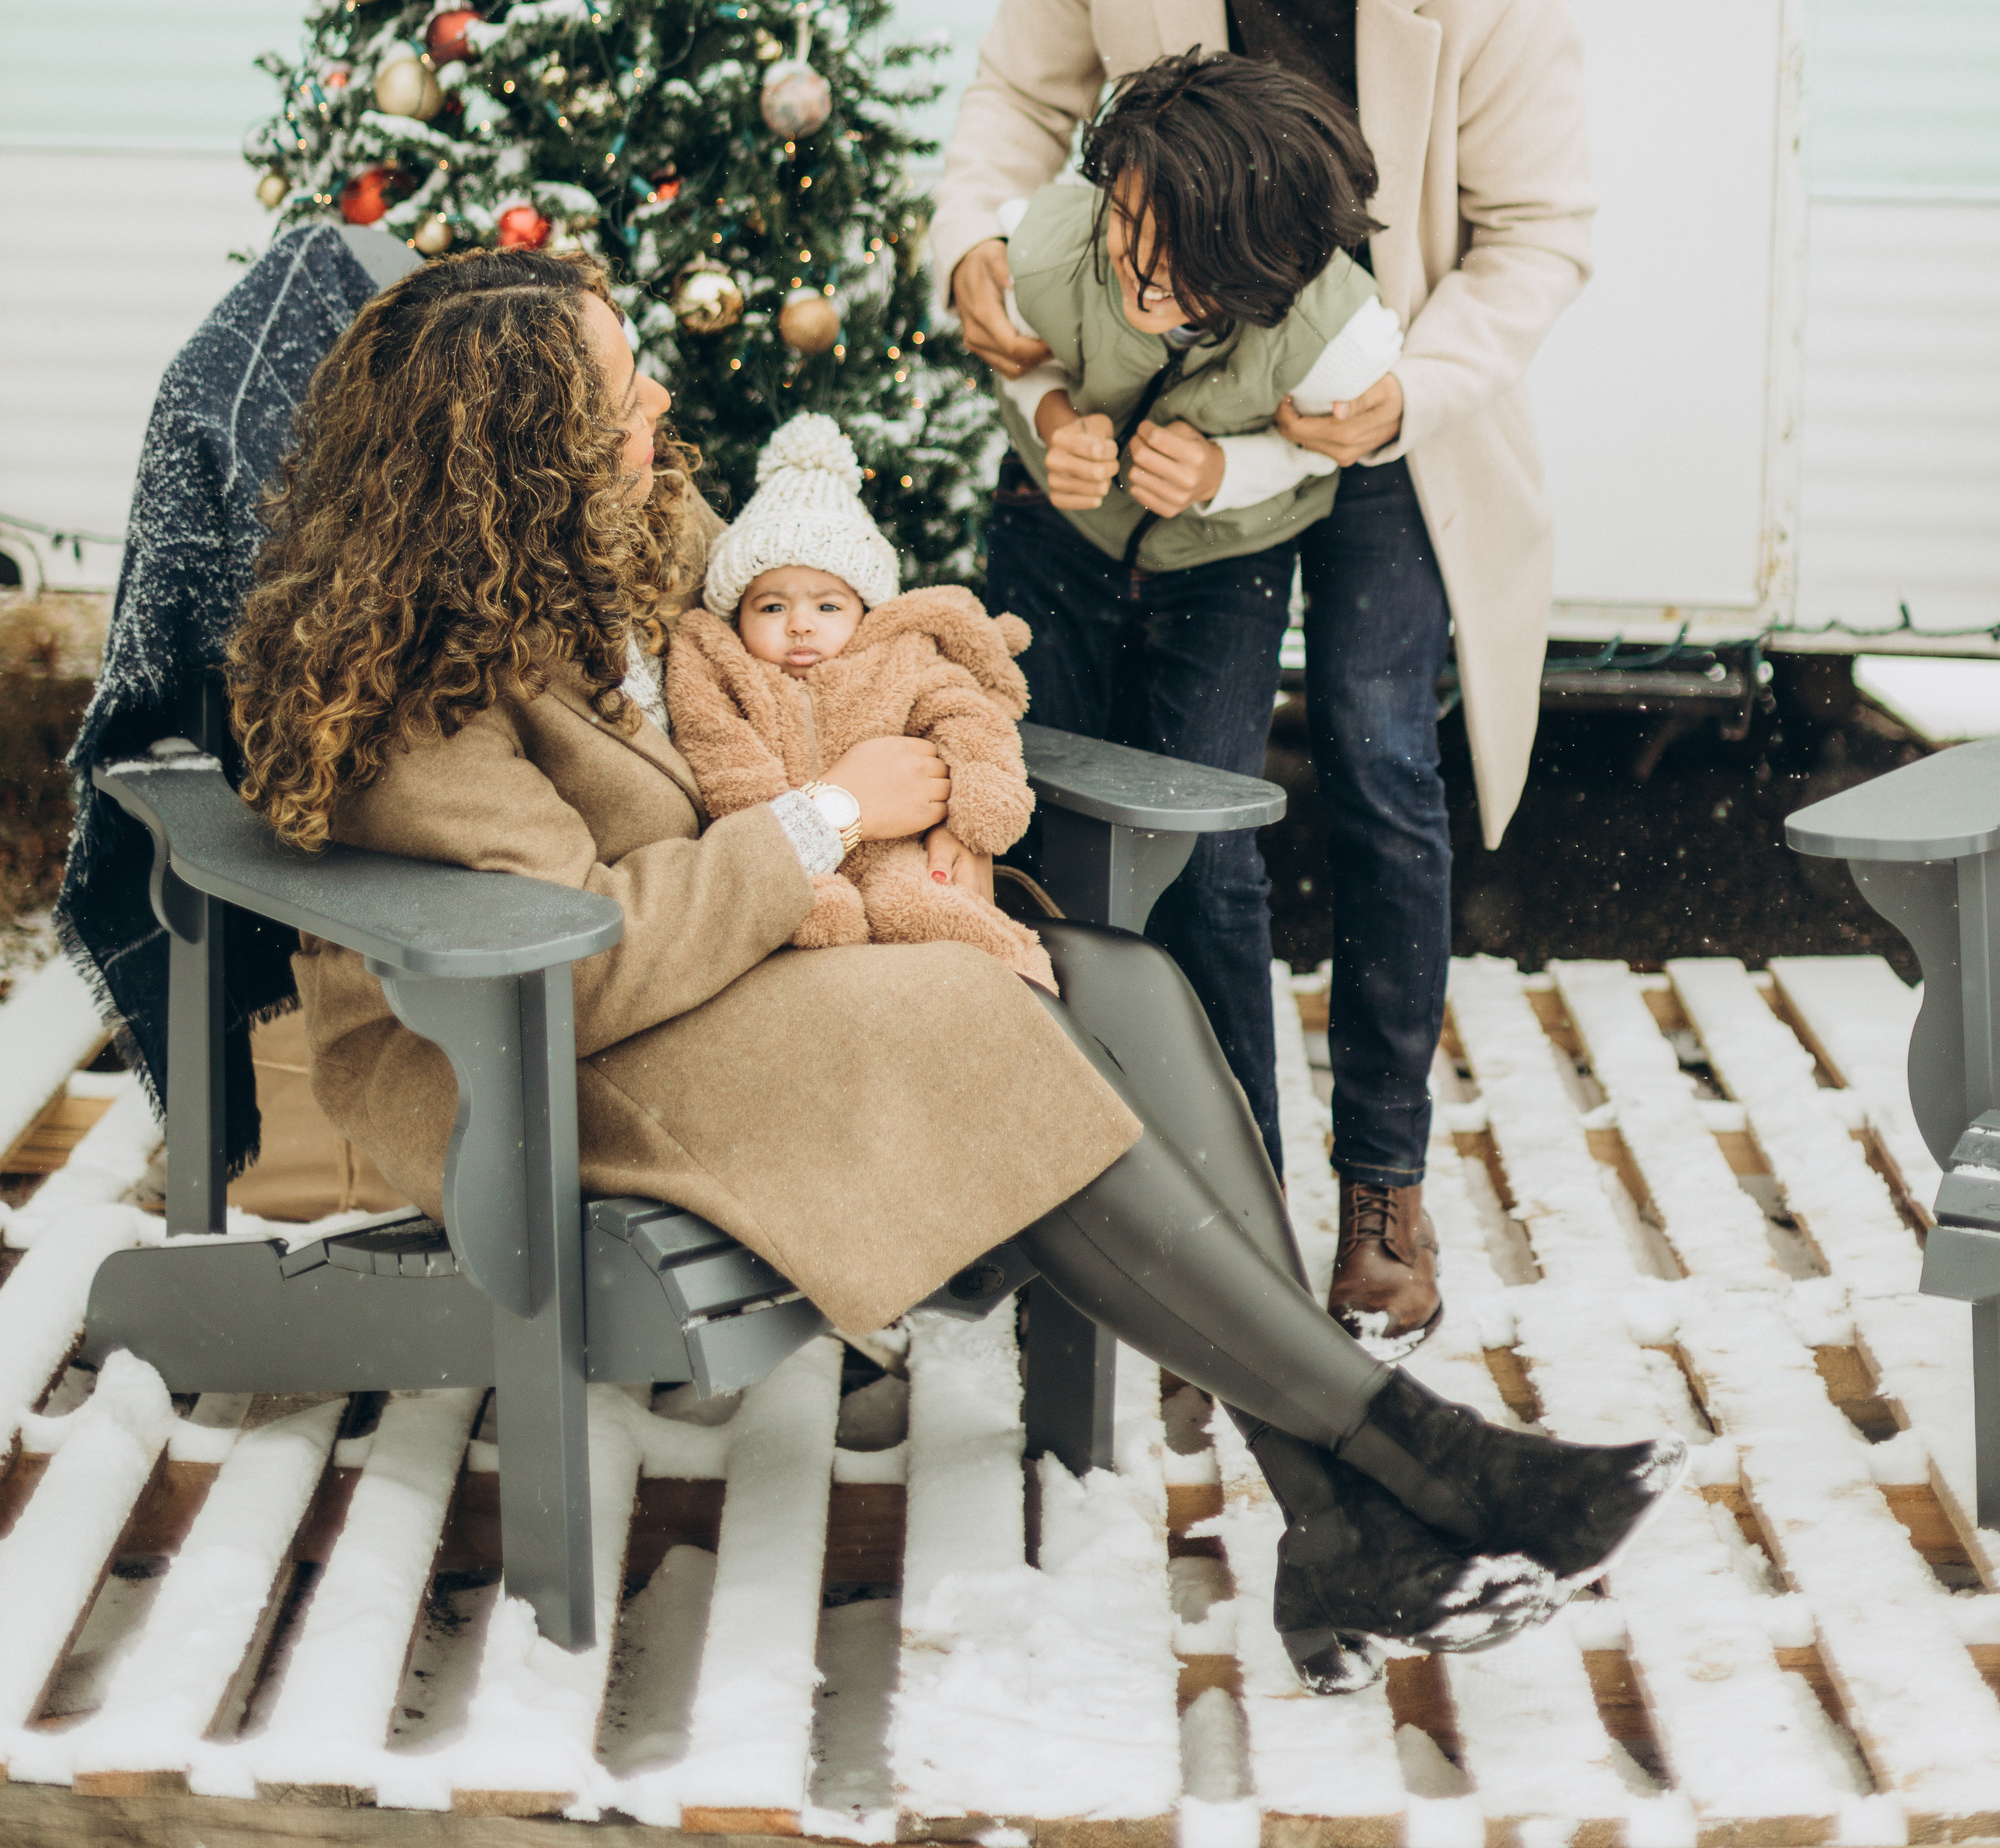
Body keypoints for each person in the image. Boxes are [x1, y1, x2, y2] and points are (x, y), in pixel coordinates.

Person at [225, 248, 1671, 1694]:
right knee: (978, 1013)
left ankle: (1336, 1512)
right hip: (536, 1054)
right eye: (619, 397)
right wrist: (838, 812)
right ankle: (1420, 1452)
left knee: (1119, 984)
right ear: (518, 456)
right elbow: (577, 949)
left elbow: (832, 646)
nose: (657, 402)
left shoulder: (622, 535)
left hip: (730, 966)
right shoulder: (421, 681)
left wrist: (943, 774)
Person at [933, 0, 1594, 1355]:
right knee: (1169, 792)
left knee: (1377, 758)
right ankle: (1175, 1173)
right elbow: (1016, 102)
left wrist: (1401, 398)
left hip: (1367, 407)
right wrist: (974, 262)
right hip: (1159, 401)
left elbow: (1539, 235)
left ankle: (1378, 1181)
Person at [984, 48, 1402, 1170]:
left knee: (1204, 851)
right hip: (1053, 536)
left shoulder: (1339, 333)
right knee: (1014, 822)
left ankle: (1236, 1170)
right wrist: (1057, 414)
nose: (1139, 280)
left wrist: (1228, 475)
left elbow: (1326, 460)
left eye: (1182, 272)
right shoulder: (1051, 239)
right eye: (1129, 235)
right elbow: (1014, 359)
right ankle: (1017, 1157)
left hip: (1230, 566)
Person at [666, 412, 1049, 974]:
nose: (800, 624)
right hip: (783, 858)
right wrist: (790, 854)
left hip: (892, 852)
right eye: (772, 606)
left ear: (864, 611)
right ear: (736, 611)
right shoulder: (726, 672)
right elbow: (726, 763)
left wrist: (982, 796)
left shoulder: (895, 658)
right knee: (807, 925)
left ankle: (1023, 994)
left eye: (827, 606)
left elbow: (963, 712)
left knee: (934, 912)